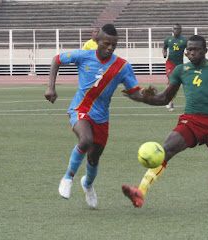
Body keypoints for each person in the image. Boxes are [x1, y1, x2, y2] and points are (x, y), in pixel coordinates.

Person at [121, 1, 208, 207]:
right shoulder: (180, 70)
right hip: (190, 121)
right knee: (166, 150)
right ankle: (140, 192)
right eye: (189, 50)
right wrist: (140, 96)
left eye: (196, 50)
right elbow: (164, 98)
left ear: (205, 50)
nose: (191, 53)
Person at [44, 24, 143, 208]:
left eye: (114, 45)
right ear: (97, 41)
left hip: (102, 117)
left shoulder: (122, 66)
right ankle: (68, 178)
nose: (110, 48)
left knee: (93, 158)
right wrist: (51, 86)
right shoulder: (83, 56)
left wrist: (147, 95)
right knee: (85, 141)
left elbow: (135, 93)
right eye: (107, 44)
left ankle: (88, 185)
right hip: (80, 108)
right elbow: (56, 60)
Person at [162, 23, 187, 111]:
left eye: (178, 29)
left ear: (180, 30)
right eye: (174, 29)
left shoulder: (184, 40)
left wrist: (188, 54)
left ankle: (169, 99)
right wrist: (164, 53)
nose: (176, 30)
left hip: (179, 64)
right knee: (171, 79)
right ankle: (168, 101)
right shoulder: (168, 39)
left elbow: (189, 48)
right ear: (172, 30)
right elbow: (164, 47)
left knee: (176, 84)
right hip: (170, 63)